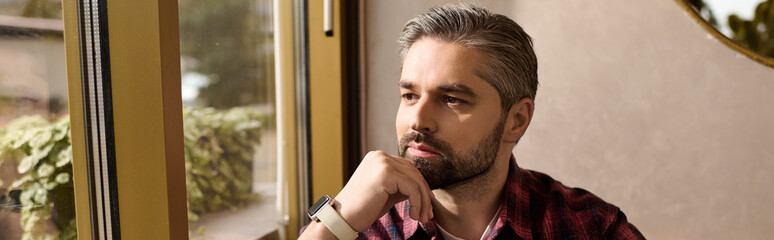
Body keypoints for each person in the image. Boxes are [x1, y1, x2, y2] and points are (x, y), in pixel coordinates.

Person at [300, 3, 644, 240]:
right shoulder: (360, 228)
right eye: (409, 96)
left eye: (451, 99)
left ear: (517, 119)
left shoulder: (591, 228)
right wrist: (334, 222)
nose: (418, 120)